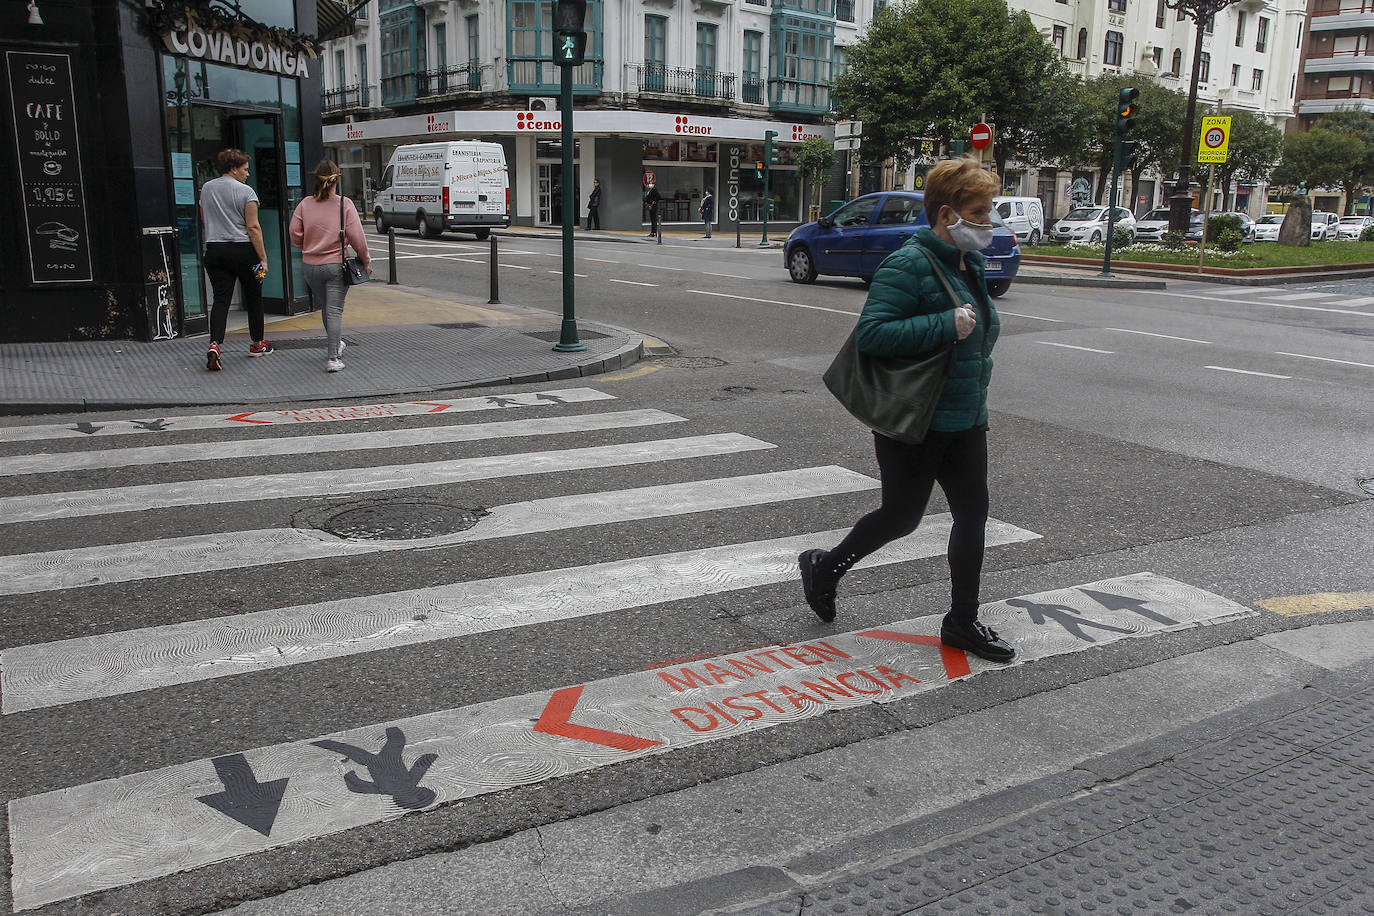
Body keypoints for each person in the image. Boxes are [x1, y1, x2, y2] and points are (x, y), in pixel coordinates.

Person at [798, 158, 1010, 663]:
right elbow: (873, 335)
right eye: (978, 212)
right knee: (901, 517)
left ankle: (961, 622)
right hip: (916, 420)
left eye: (989, 211)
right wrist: (943, 323)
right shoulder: (909, 264)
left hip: (964, 417)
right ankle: (825, 567)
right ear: (945, 214)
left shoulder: (968, 263)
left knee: (973, 515)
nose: (989, 222)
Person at [290, 160, 371, 373]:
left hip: (310, 266)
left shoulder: (304, 204)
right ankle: (333, 358)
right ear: (337, 179)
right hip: (335, 266)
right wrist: (365, 260)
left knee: (327, 307)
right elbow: (357, 239)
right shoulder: (345, 204)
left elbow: (295, 234)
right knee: (335, 310)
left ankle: (337, 344)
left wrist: (306, 244)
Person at [200, 148, 272, 370]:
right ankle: (258, 344)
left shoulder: (206, 189)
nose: (247, 174)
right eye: (245, 169)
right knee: (254, 296)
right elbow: (253, 227)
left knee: (221, 299)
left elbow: (205, 219)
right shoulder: (246, 192)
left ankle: (215, 344)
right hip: (244, 252)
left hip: (214, 250)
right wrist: (263, 259)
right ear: (233, 168)